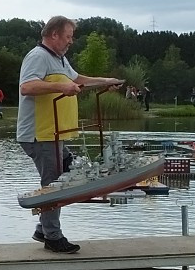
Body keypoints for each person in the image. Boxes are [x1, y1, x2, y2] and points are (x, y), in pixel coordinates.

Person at [17, 15, 124, 255]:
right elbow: (27, 87)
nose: (70, 41)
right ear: (54, 34)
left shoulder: (59, 59)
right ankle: (53, 237)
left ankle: (43, 229)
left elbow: (77, 80)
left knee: (68, 173)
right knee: (54, 185)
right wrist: (60, 87)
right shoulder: (38, 56)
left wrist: (105, 81)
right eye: (68, 36)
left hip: (54, 134)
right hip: (39, 134)